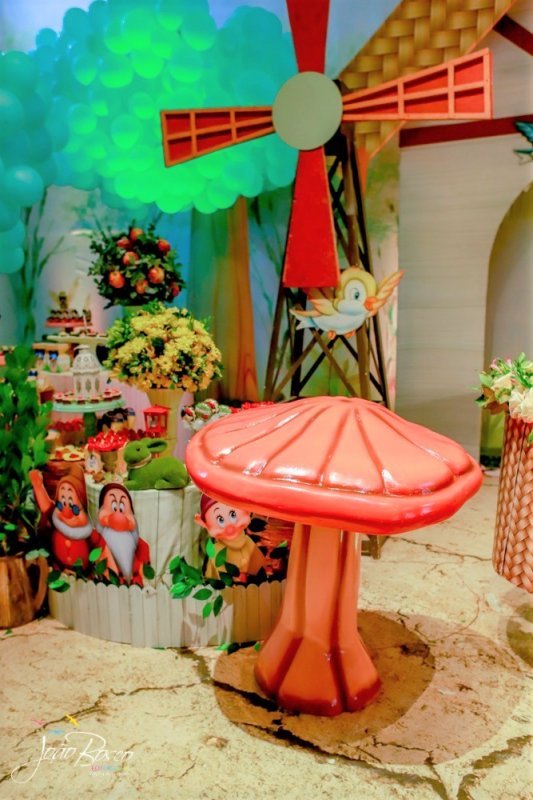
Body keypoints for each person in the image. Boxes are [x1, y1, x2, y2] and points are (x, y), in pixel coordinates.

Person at [30, 465, 93, 569]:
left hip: (82, 571)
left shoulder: (88, 528)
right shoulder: (56, 517)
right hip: (58, 567)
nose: (66, 506)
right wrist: (38, 486)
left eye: (72, 504)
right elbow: (46, 506)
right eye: (62, 501)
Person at [195, 494, 267, 582]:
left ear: (247, 510)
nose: (230, 529)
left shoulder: (249, 543)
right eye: (220, 520)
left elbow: (260, 566)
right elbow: (218, 576)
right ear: (204, 524)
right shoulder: (217, 551)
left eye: (233, 515)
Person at [91, 483, 150, 586]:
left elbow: (143, 558)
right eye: (113, 507)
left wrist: (139, 579)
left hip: (133, 583)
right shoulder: (98, 538)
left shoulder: (138, 544)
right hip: (106, 583)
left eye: (122, 509)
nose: (118, 514)